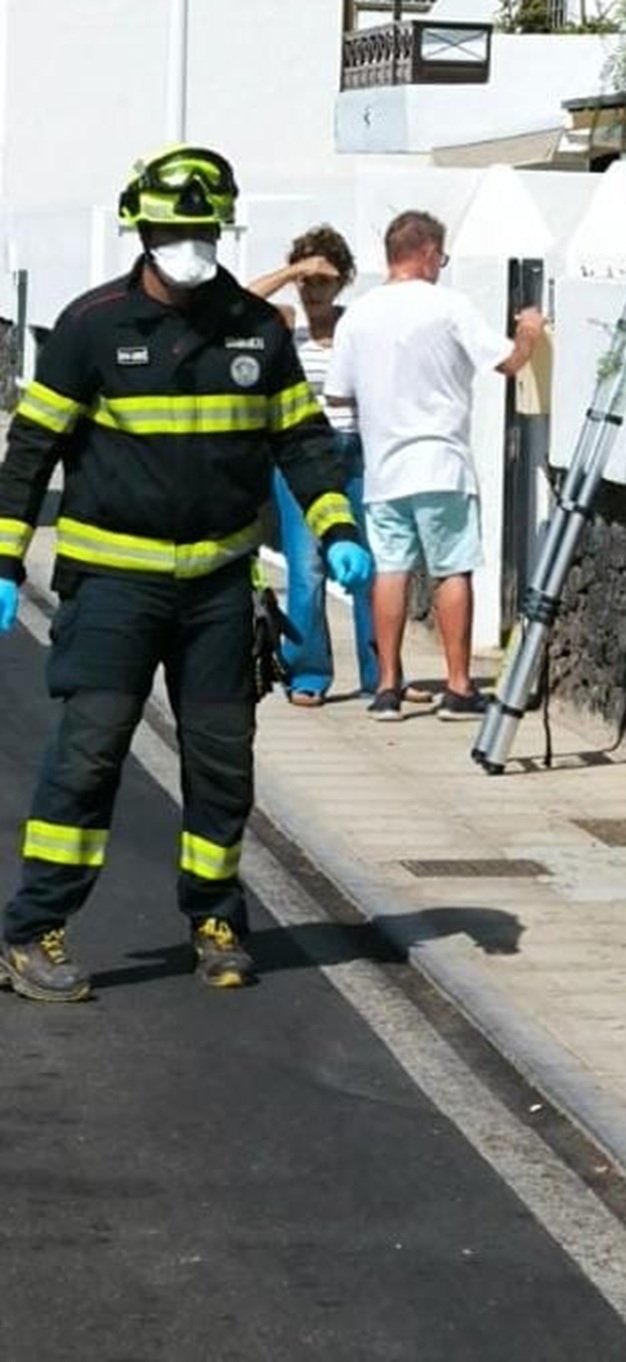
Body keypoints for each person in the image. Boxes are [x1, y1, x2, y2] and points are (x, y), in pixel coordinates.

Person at [0, 144, 372, 1002]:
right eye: (174, 231)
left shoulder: (255, 328)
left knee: (222, 764)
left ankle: (216, 921)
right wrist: (6, 558)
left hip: (219, 590)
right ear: (142, 230)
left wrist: (337, 523)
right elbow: (29, 453)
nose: (189, 246)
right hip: (113, 588)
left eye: (202, 231)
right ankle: (32, 931)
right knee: (88, 758)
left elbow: (301, 439)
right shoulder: (93, 326)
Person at [324, 210, 544, 722]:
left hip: (384, 467)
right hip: (441, 461)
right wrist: (530, 332)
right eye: (440, 257)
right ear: (426, 253)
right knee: (451, 570)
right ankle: (459, 686)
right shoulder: (449, 306)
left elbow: (337, 392)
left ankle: (387, 687)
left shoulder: (358, 315)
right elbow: (509, 363)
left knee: (391, 571)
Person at [248, 226, 423, 707]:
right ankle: (307, 673)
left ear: (343, 281)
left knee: (370, 564)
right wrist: (291, 271)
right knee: (307, 567)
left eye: (324, 280)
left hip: (358, 450)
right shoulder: (284, 325)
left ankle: (383, 674)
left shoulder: (356, 326)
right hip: (300, 455)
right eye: (307, 280)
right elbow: (238, 302)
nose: (313, 289)